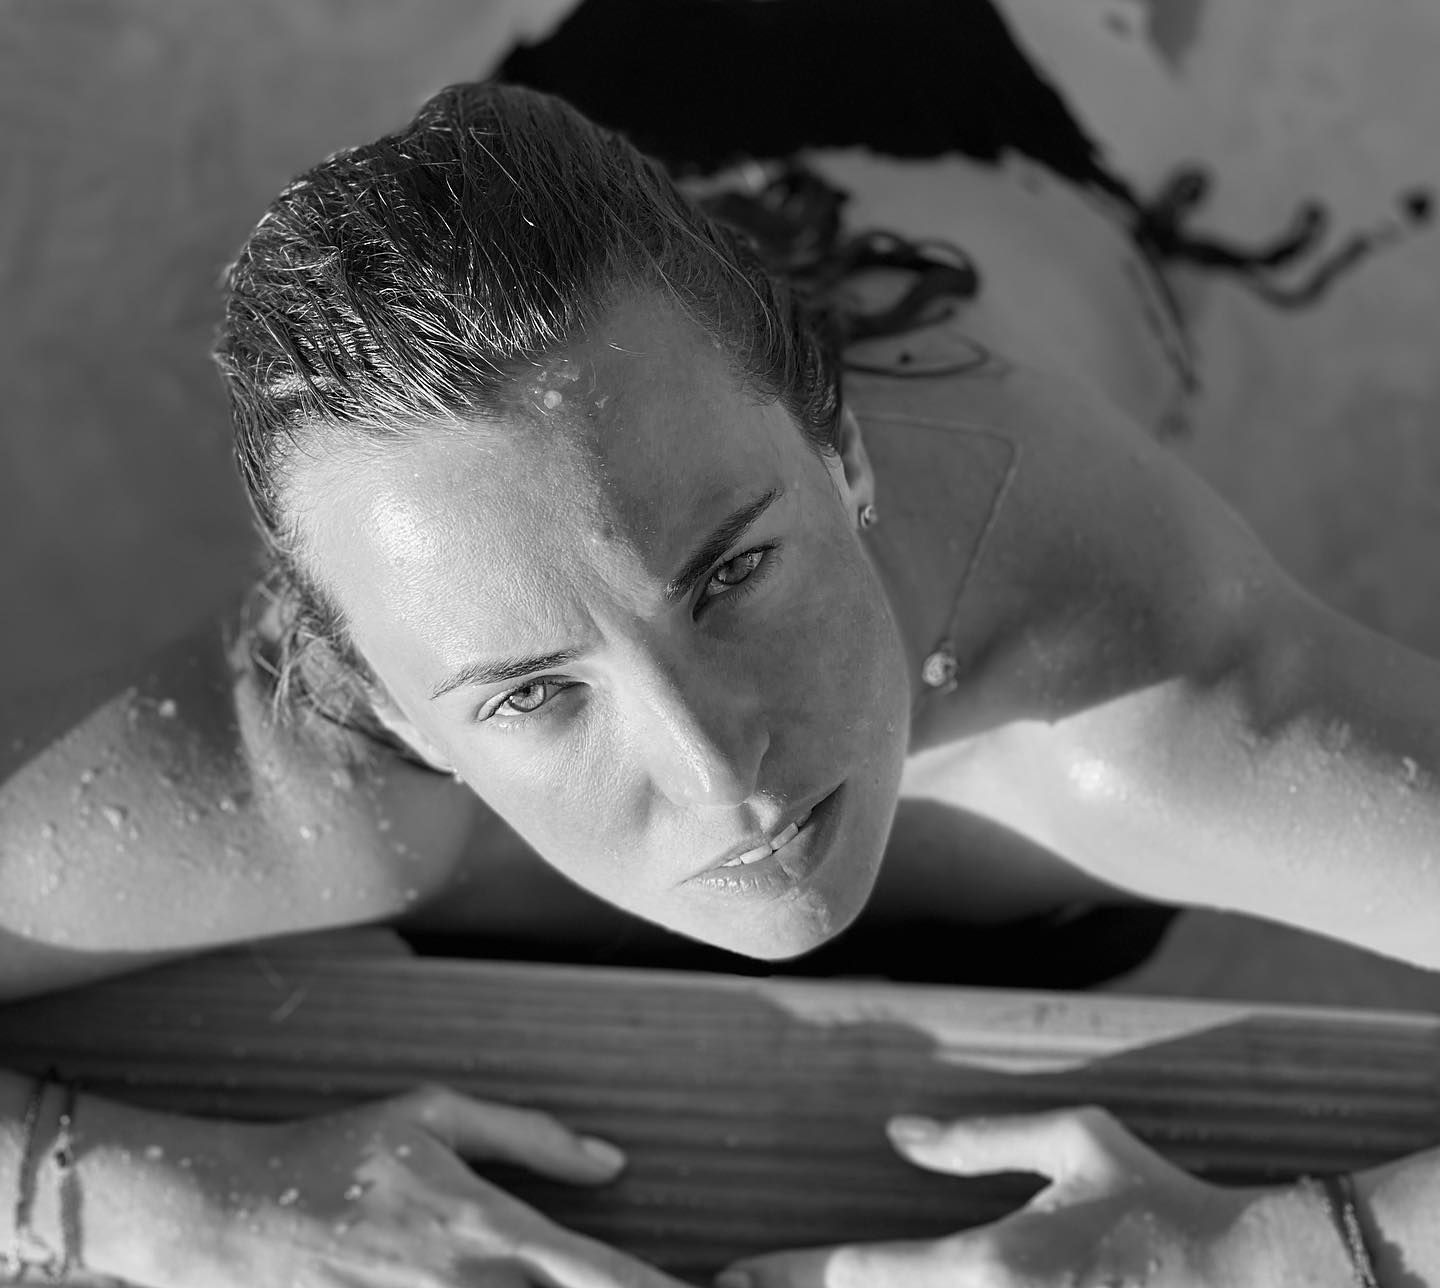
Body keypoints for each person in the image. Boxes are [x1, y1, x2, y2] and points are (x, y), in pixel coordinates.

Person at [2, 76, 1439, 1286]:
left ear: (845, 457)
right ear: (385, 706)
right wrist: (175, 1210)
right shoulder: (331, 770)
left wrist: (1275, 1252)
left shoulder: (1139, 706)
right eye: (532, 695)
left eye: (733, 574)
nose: (717, 768)